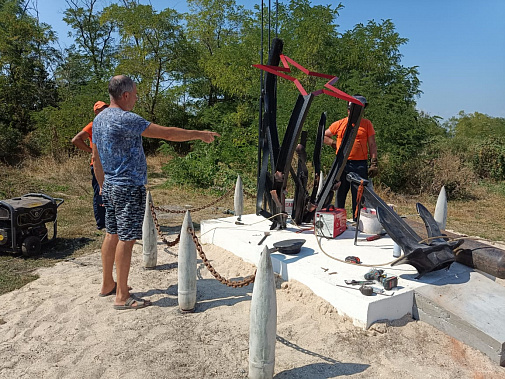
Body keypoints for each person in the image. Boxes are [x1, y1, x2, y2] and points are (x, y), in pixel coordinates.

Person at [92, 75, 220, 310]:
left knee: (111, 234)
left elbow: (96, 157)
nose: (137, 99)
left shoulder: (99, 119)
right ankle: (122, 296)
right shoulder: (126, 119)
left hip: (109, 184)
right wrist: (199, 134)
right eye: (136, 95)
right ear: (126, 95)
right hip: (127, 187)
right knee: (126, 238)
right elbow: (167, 134)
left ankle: (107, 284)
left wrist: (101, 185)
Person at [323, 95, 378, 220]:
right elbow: (324, 135)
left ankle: (357, 220)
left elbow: (372, 143)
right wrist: (334, 143)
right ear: (348, 109)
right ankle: (338, 220)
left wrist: (374, 162)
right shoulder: (340, 124)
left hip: (360, 165)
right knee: (340, 193)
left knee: (358, 195)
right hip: (342, 164)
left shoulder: (366, 124)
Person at [71, 101, 109, 230]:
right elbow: (76, 140)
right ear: (96, 112)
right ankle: (101, 224)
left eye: (105, 108)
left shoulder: (110, 124)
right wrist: (90, 150)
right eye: (101, 109)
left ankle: (111, 220)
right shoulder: (92, 125)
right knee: (99, 192)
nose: (104, 111)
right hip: (97, 164)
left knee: (111, 191)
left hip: (111, 164)